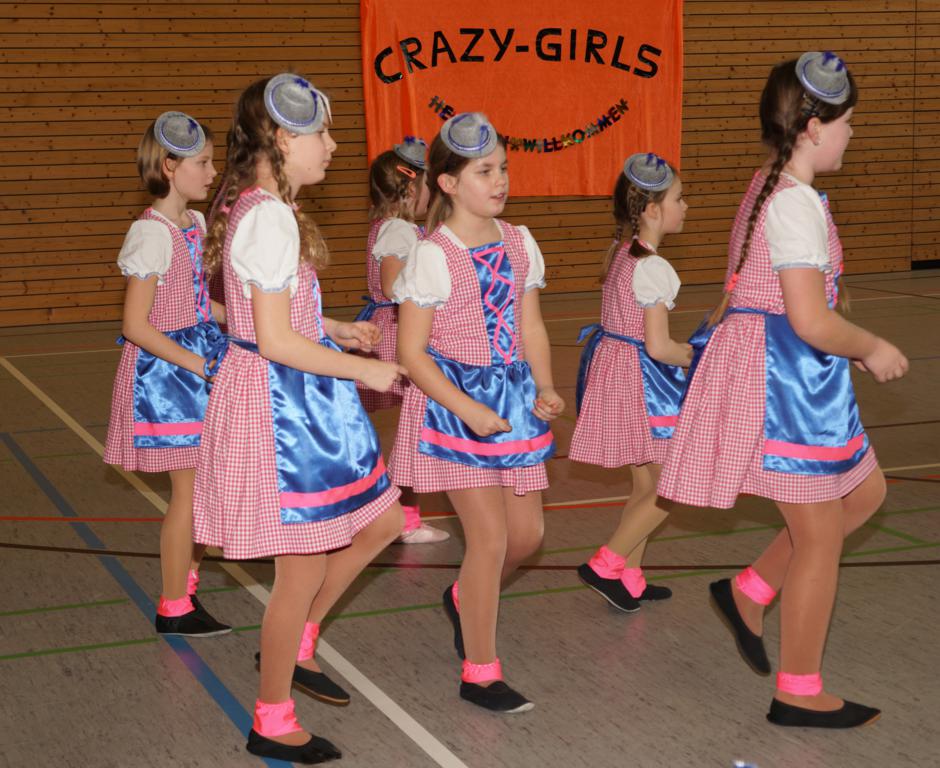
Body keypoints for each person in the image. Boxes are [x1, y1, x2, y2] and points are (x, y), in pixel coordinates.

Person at [658, 52, 908, 728]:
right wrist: (870, 345)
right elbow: (809, 319)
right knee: (820, 536)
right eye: (848, 122)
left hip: (801, 373)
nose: (852, 133)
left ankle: (751, 588)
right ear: (815, 127)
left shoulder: (774, 183)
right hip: (786, 380)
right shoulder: (792, 203)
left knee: (865, 493)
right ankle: (798, 689)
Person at [194, 73, 404, 762]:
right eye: (323, 133)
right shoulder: (269, 216)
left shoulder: (262, 207)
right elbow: (275, 340)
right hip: (282, 407)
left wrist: (333, 328)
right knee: (301, 570)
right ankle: (272, 716)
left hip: (299, 395)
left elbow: (265, 316)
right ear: (283, 139)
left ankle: (300, 642)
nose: (334, 146)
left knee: (381, 523)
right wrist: (362, 369)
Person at [391, 112, 564, 713]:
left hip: (513, 403)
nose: (501, 181)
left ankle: (466, 594)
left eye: (504, 168)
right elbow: (412, 354)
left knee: (528, 537)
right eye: (485, 171)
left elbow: (531, 325)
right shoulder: (432, 256)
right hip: (454, 407)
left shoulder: (519, 241)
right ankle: (480, 671)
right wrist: (468, 409)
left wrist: (545, 385)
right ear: (448, 183)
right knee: (488, 539)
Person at [104, 111, 230, 637]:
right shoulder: (150, 233)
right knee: (190, 490)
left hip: (197, 357)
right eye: (203, 163)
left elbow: (198, 304)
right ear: (169, 167)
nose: (213, 172)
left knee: (201, 488)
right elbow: (135, 325)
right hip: (167, 375)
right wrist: (199, 364)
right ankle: (173, 606)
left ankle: (185, 586)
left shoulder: (193, 224)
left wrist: (247, 322)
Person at [570, 152, 692, 612]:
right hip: (644, 384)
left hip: (619, 375)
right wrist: (697, 356)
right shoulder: (652, 267)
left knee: (645, 487)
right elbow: (659, 347)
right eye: (679, 199)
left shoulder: (625, 255)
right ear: (653, 210)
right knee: (667, 489)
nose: (686, 207)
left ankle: (630, 577)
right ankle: (606, 563)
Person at [358, 137, 448, 544]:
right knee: (413, 428)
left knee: (408, 426)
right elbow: (393, 285)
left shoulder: (394, 226)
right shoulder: (398, 229)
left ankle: (400, 515)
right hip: (398, 333)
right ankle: (404, 519)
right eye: (428, 186)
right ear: (411, 189)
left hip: (394, 329)